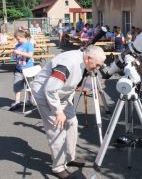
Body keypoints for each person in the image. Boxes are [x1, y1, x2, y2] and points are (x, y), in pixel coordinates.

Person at [31, 45, 106, 179]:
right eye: (97, 65)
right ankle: (58, 167)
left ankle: (69, 157)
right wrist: (58, 111)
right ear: (88, 58)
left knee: (72, 123)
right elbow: (50, 89)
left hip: (62, 94)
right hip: (46, 95)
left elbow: (72, 82)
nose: (98, 68)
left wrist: (67, 102)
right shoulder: (68, 63)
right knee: (57, 130)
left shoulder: (84, 61)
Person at [9, 30, 34, 111]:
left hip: (28, 69)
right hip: (19, 69)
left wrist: (19, 52)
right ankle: (17, 102)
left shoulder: (29, 45)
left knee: (29, 86)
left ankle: (30, 100)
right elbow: (15, 57)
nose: (17, 41)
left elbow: (30, 55)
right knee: (17, 86)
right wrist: (13, 55)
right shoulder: (18, 45)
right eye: (16, 39)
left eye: (18, 39)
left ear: (24, 37)